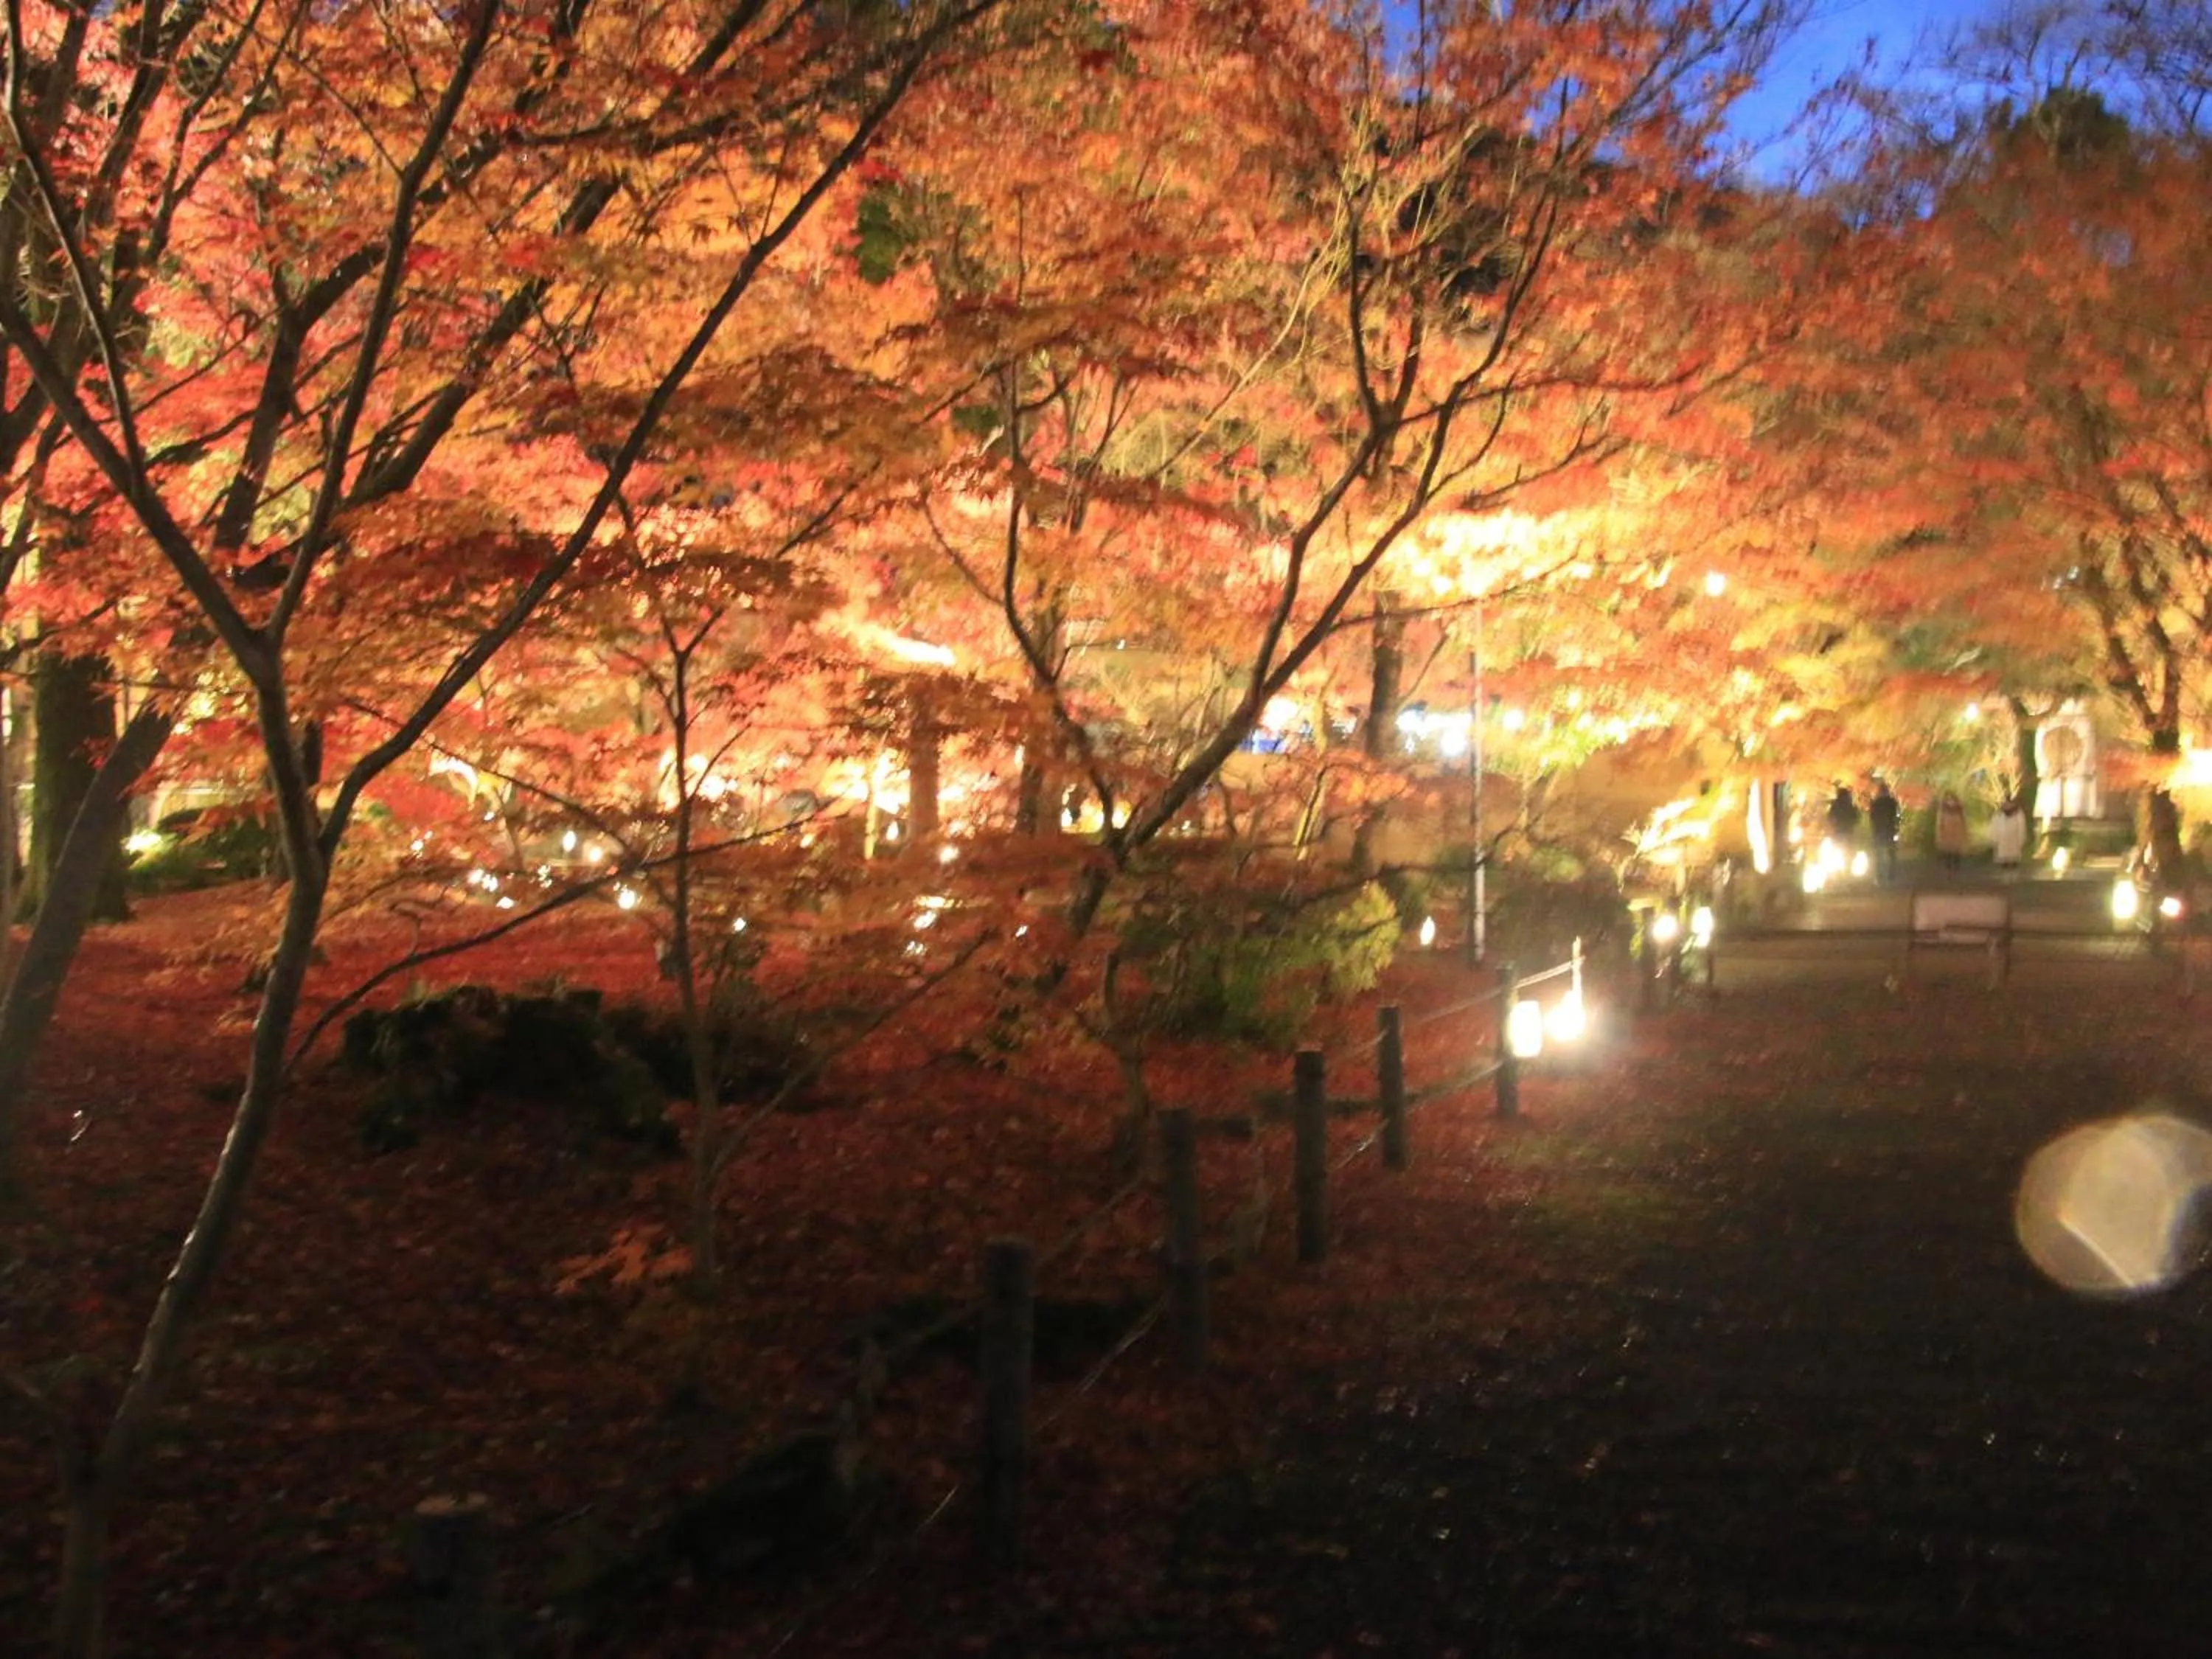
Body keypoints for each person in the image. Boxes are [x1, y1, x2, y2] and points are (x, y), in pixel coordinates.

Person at [1868, 779, 1900, 885]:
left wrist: (1873, 827)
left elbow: (1872, 817)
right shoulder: (1892, 802)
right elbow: (1897, 816)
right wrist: (1897, 827)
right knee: (1891, 854)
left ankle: (1880, 877)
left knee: (1879, 855)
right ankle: (1892, 876)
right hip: (1890, 830)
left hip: (1878, 831)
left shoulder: (1875, 803)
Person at [1989, 794, 2028, 874]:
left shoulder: (2018, 814)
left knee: (2013, 864)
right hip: (2004, 843)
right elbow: (1995, 828)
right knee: (2005, 864)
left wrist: (2021, 840)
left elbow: (2021, 829)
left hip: (2013, 843)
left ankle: (2012, 878)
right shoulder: (1998, 815)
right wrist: (1995, 840)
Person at [1935, 790, 1969, 872]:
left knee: (1956, 849)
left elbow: (1963, 819)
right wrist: (1940, 831)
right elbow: (1940, 821)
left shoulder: (1959, 808)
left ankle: (1956, 865)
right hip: (1947, 831)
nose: (1950, 801)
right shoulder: (1943, 809)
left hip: (1957, 830)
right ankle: (1949, 865)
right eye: (1948, 799)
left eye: (1951, 798)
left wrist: (1965, 831)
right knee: (1948, 849)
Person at [1826, 782, 1860, 847]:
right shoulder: (1849, 805)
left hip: (1838, 830)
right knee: (1846, 849)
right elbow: (1856, 818)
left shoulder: (1836, 804)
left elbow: (1830, 817)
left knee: (1837, 847)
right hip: (1848, 831)